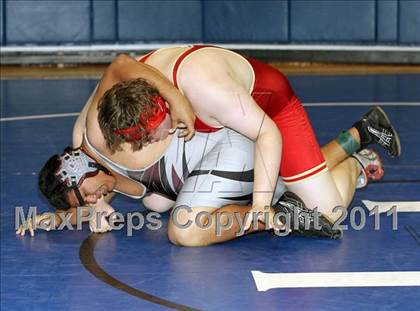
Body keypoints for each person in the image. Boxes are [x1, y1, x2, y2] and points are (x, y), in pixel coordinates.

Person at [17, 59, 393, 245]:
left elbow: (120, 64)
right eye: (85, 202)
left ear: (83, 164)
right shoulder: (102, 166)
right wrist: (60, 220)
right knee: (161, 204)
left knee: (184, 228)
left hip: (253, 116)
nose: (96, 199)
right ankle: (357, 146)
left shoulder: (96, 131)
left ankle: (280, 210)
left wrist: (176, 98)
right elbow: (93, 195)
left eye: (88, 193)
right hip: (221, 144)